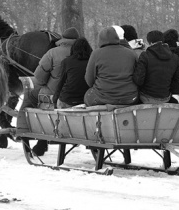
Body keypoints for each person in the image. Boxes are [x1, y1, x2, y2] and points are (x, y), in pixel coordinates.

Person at [18, 26, 79, 156]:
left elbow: (39, 77)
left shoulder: (53, 53)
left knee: (30, 97)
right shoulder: (85, 52)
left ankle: (23, 130)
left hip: (54, 94)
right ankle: (41, 142)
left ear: (63, 39)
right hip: (80, 95)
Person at [83, 27, 138, 106]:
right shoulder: (131, 53)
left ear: (100, 39)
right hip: (130, 98)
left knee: (88, 95)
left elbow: (89, 81)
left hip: (103, 97)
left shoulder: (96, 54)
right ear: (117, 38)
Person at [132, 30, 179, 103]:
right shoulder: (175, 58)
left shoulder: (145, 56)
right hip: (166, 98)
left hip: (146, 98)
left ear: (150, 43)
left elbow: (138, 80)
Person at [53, 38, 93, 109]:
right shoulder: (91, 62)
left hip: (67, 100)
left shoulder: (66, 62)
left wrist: (55, 99)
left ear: (73, 49)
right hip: (85, 101)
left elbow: (61, 83)